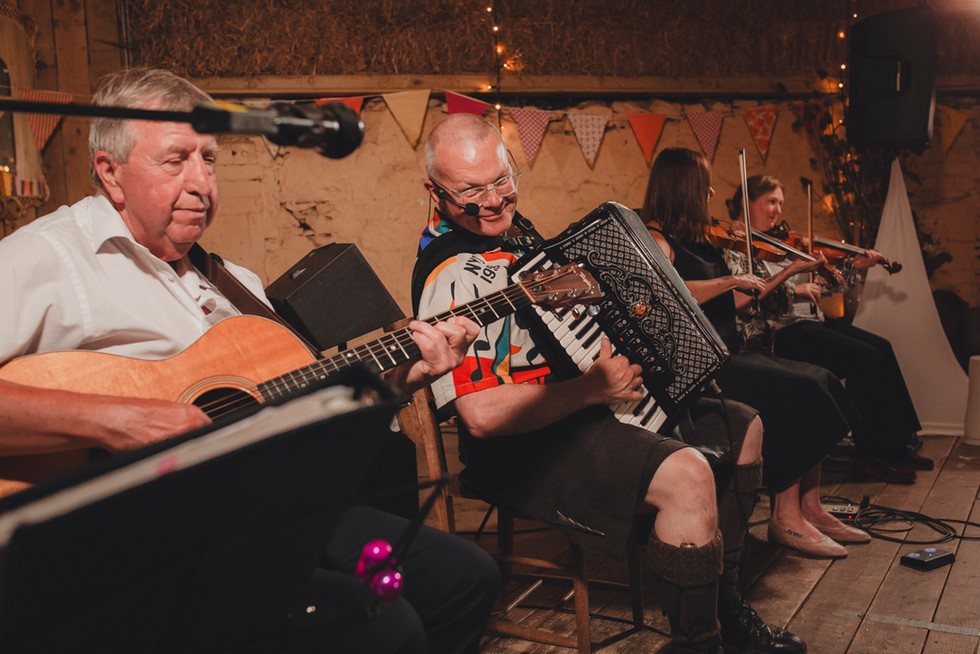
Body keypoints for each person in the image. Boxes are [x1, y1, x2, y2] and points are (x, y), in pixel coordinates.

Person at [0, 68, 497, 654]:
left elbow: (296, 407)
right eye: (175, 160)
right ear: (110, 172)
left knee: (466, 578)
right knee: (385, 630)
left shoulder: (234, 285)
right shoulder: (50, 256)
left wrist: (398, 378)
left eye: (209, 160)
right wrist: (124, 421)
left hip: (266, 514)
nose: (201, 183)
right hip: (126, 548)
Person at [414, 114, 804, 653]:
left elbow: (558, 315)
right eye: (472, 191)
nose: (497, 200)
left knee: (746, 427)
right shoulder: (449, 274)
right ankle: (701, 642)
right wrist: (591, 389)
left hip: (575, 414)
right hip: (521, 451)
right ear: (435, 192)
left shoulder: (514, 233)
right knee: (688, 474)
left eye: (503, 180)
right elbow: (479, 416)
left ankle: (725, 607)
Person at [640, 147, 868, 560]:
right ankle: (785, 517)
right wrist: (727, 280)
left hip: (728, 353)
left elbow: (738, 301)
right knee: (800, 391)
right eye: (703, 183)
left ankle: (808, 506)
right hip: (699, 369)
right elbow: (671, 293)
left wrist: (770, 275)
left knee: (820, 378)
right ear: (683, 187)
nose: (710, 191)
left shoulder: (697, 237)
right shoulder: (655, 238)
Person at [725, 175, 931, 483]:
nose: (777, 210)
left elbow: (830, 286)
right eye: (771, 201)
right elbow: (748, 298)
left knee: (881, 347)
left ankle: (896, 444)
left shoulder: (783, 243)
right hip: (776, 331)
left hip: (807, 321)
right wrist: (795, 286)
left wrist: (850, 267)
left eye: (780, 202)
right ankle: (869, 454)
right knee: (864, 358)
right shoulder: (737, 247)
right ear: (746, 203)